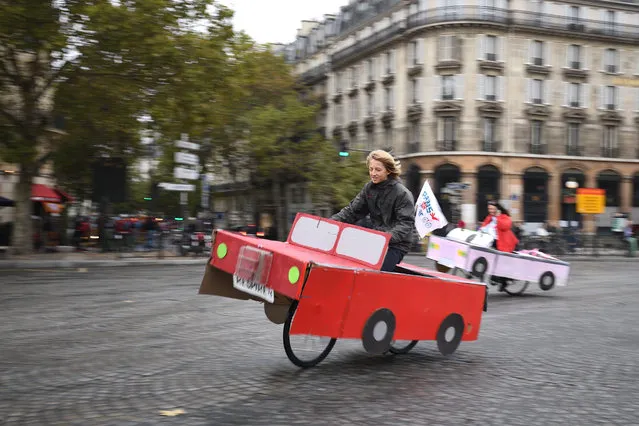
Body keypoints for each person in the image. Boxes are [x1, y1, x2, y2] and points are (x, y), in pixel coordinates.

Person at [331, 150, 417, 272]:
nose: (373, 173)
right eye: (371, 169)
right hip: (376, 239)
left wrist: (385, 238)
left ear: (388, 170)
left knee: (376, 272)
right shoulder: (368, 189)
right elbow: (352, 212)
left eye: (378, 170)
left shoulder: (402, 193)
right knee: (351, 264)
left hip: (397, 244)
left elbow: (405, 224)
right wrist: (329, 223)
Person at [479, 201, 519, 291]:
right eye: (489, 209)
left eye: (492, 209)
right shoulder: (489, 218)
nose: (490, 210)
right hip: (492, 242)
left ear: (497, 209)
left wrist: (497, 218)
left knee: (501, 262)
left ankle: (504, 281)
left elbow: (505, 226)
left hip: (505, 243)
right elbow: (483, 227)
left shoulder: (504, 217)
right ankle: (492, 277)